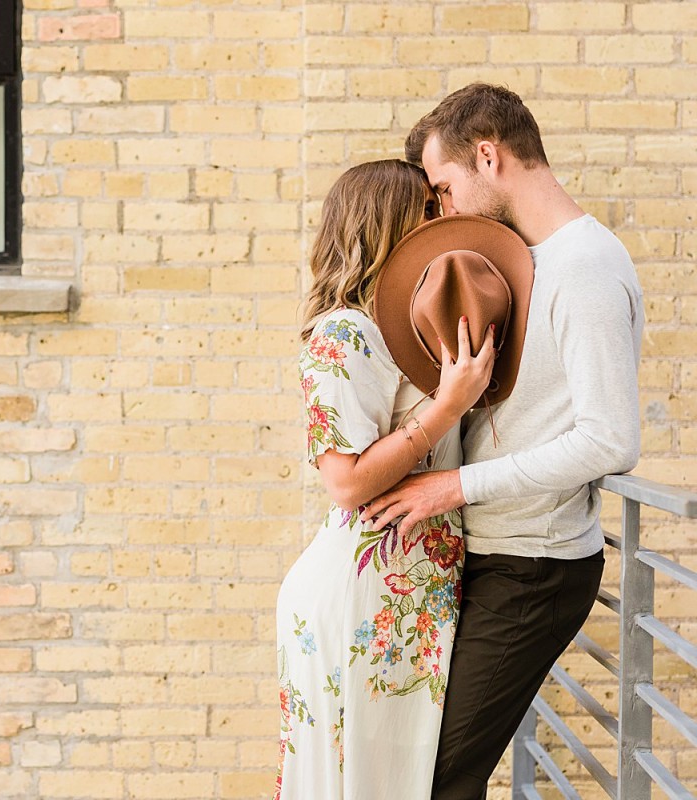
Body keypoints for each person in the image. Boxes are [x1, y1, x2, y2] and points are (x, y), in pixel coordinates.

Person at [363, 83, 645, 799]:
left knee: (434, 780)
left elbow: (611, 440)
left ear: (488, 156)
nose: (444, 210)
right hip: (493, 555)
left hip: (535, 568)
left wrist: (452, 487)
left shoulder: (581, 269)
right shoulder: (531, 259)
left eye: (446, 188)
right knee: (423, 767)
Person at [276, 158, 534, 799]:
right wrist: (447, 406)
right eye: (426, 209)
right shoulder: (345, 332)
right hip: (364, 595)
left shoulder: (403, 331)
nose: (441, 219)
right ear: (384, 225)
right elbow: (345, 481)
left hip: (411, 592)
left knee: (396, 782)